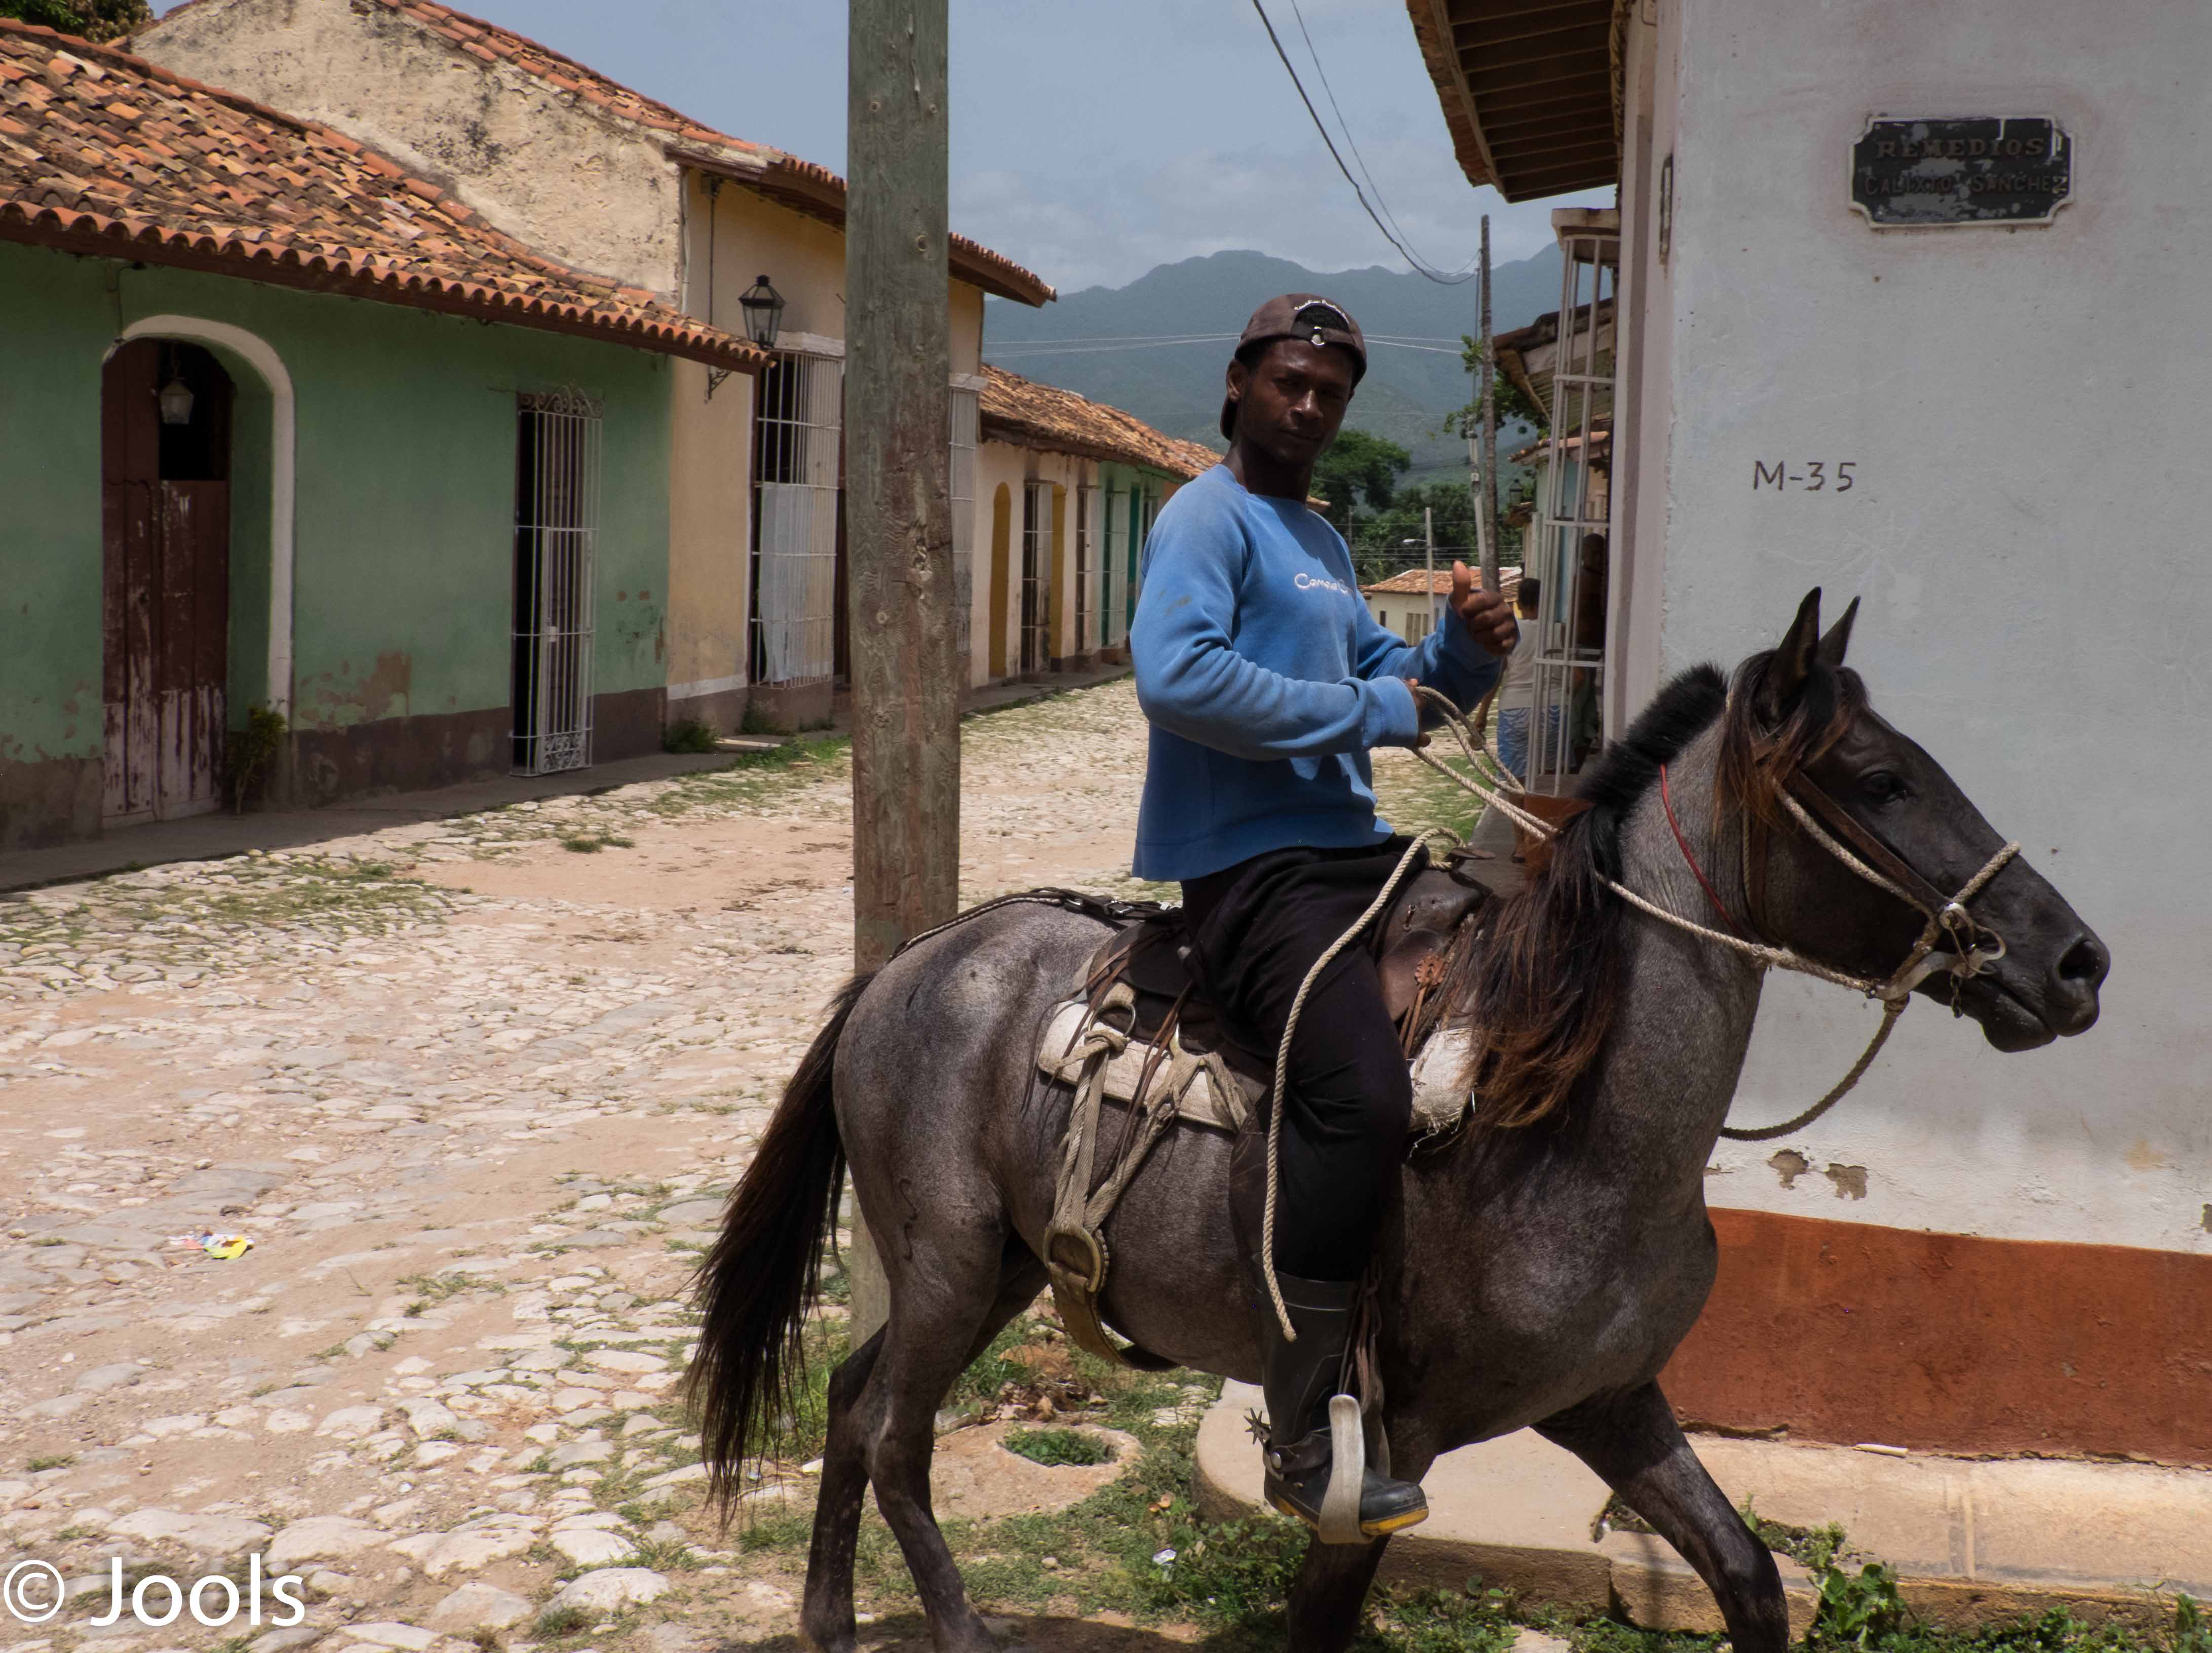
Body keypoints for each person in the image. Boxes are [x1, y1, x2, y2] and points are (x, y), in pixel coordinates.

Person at [1128, 295, 1517, 1539]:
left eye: (1329, 393)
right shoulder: (1205, 516)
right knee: (1360, 1091)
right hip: (1250, 873)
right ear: (1238, 381)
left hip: (1350, 857)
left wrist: (1462, 656)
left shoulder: (1315, 538)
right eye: (1288, 382)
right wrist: (1370, 716)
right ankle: (1298, 1432)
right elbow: (1176, 676)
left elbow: (1387, 682)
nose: (1306, 406)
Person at [1480, 576, 1553, 783]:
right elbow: (1577, 678)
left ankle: (1518, 816)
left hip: (1514, 709)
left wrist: (1482, 714)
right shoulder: (1559, 631)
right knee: (1550, 780)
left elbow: (1496, 676)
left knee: (1515, 780)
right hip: (1553, 707)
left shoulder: (1510, 631)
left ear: (1519, 605)